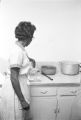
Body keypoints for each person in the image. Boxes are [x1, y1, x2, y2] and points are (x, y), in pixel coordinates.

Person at [1, 21, 36, 120]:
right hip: (14, 93)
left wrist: (30, 60)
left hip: (19, 86)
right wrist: (22, 101)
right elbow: (14, 77)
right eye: (32, 36)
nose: (32, 40)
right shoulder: (17, 52)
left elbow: (21, 63)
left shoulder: (21, 49)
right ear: (28, 37)